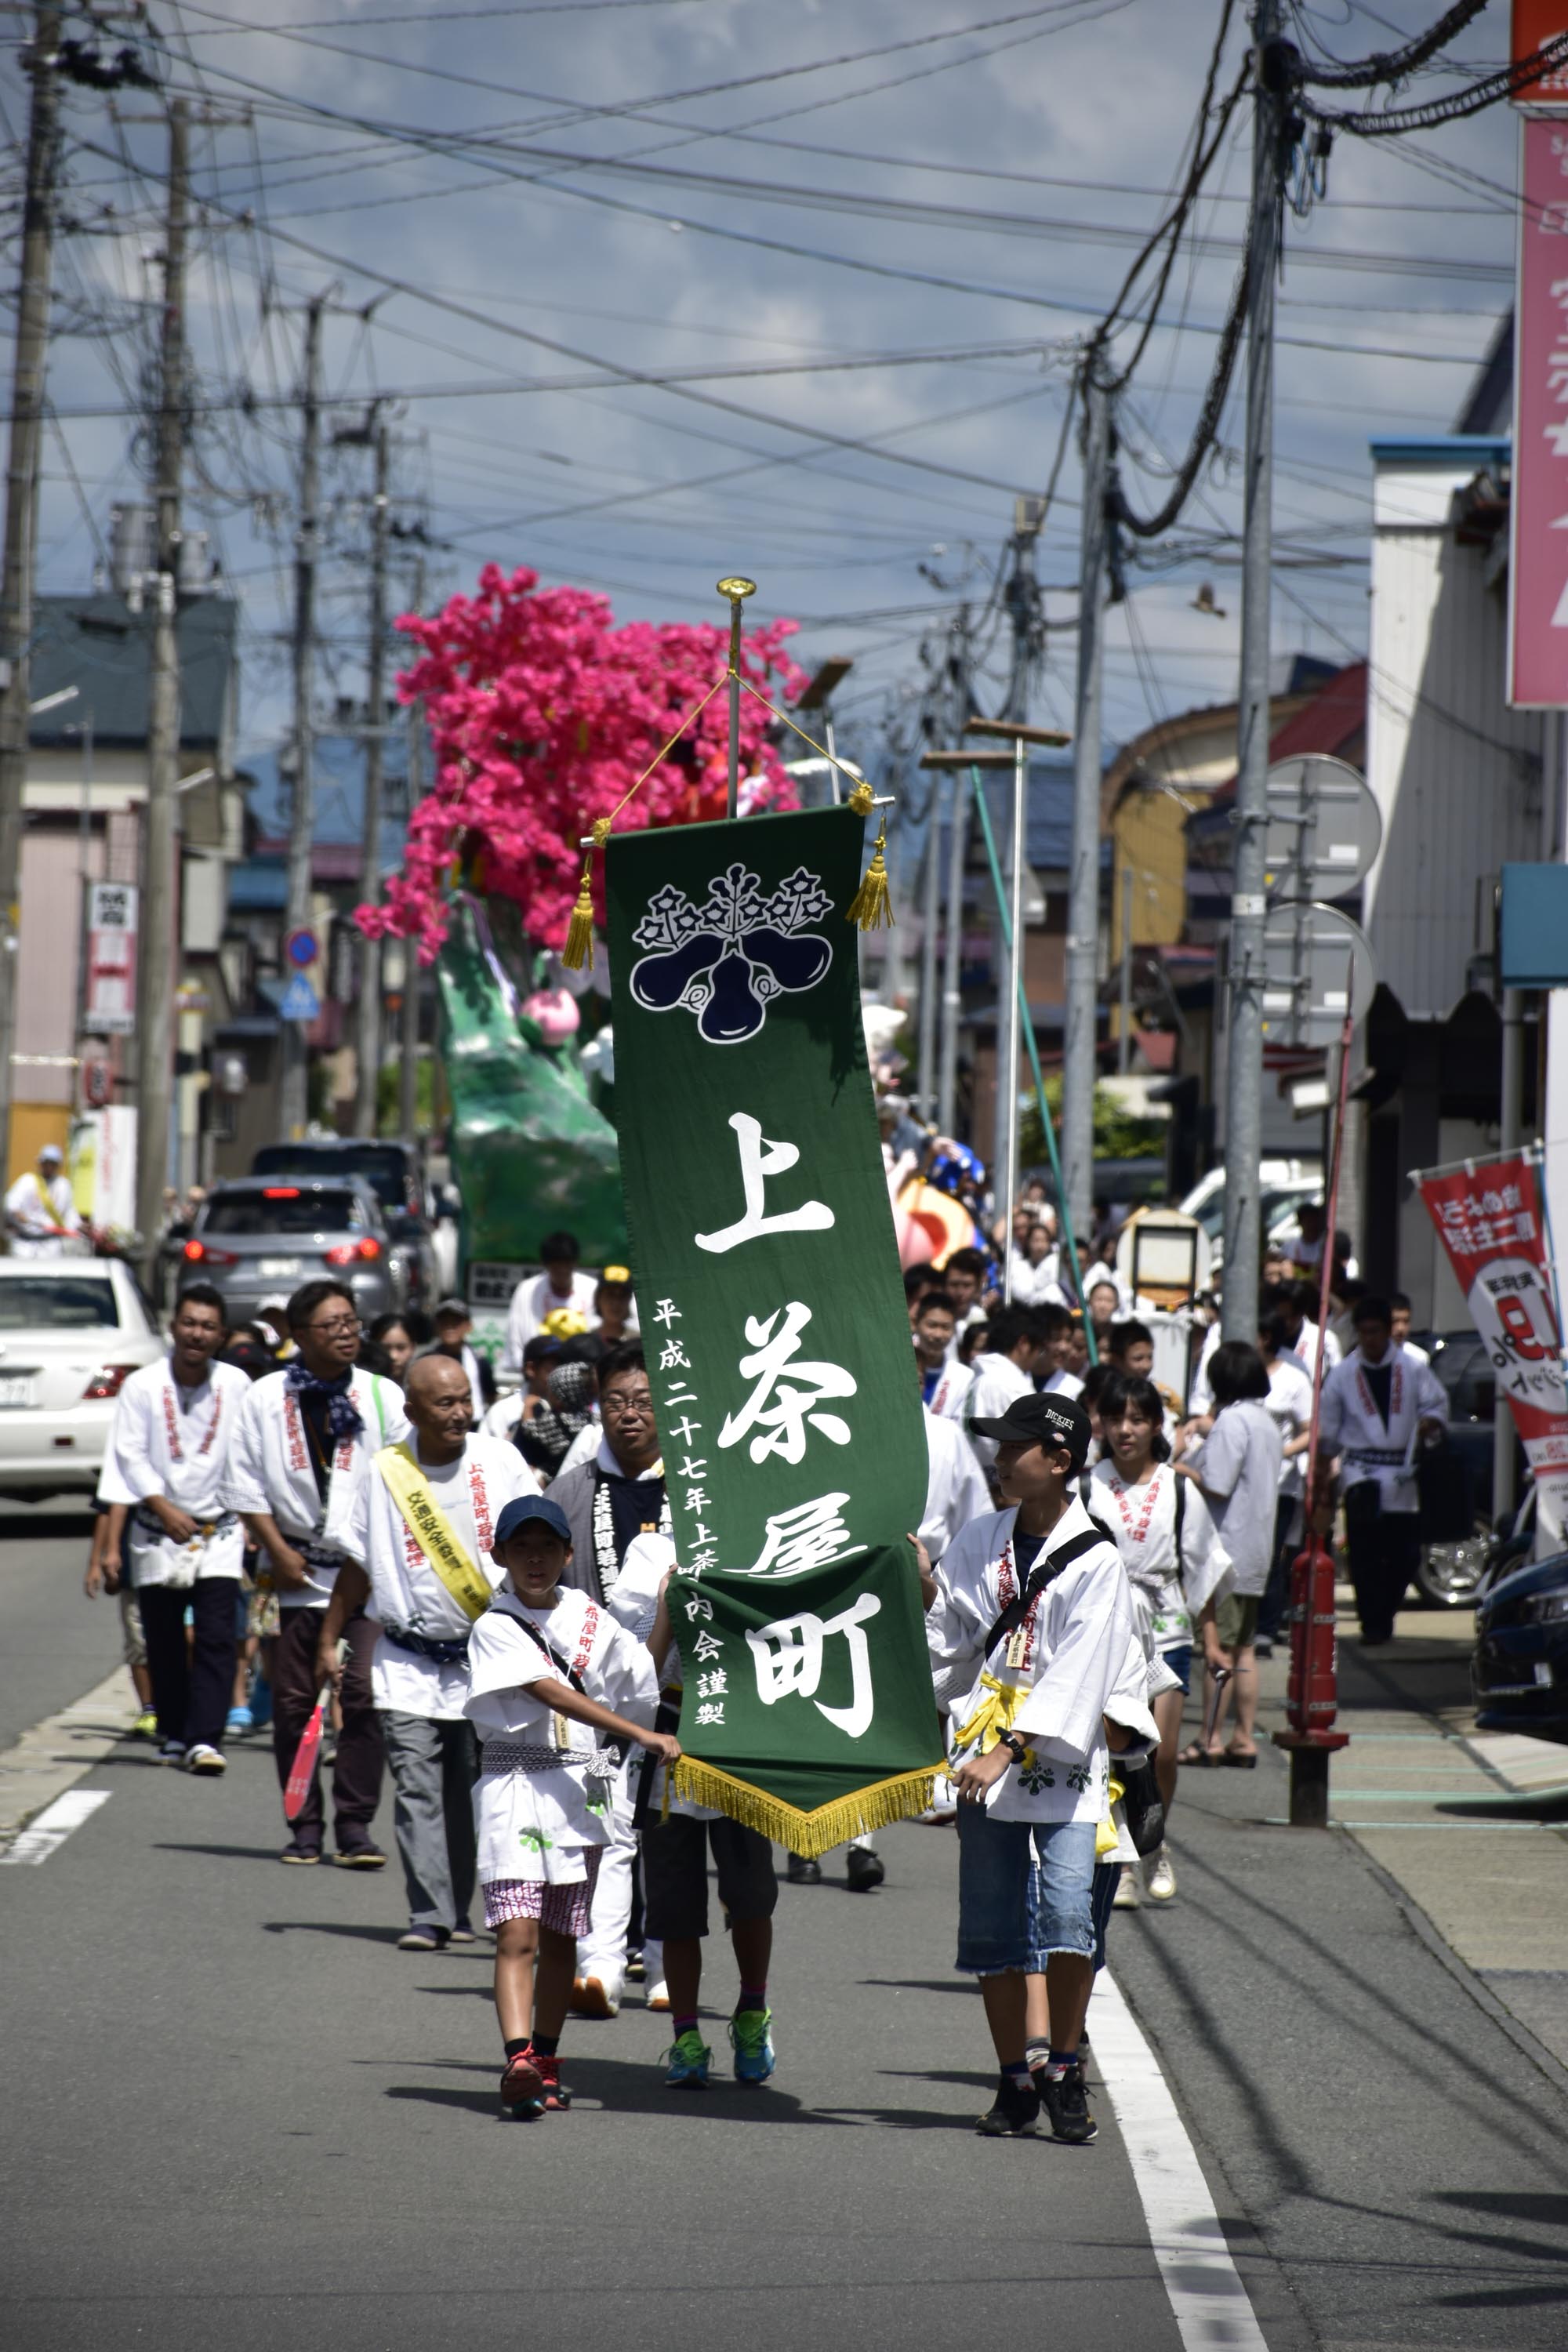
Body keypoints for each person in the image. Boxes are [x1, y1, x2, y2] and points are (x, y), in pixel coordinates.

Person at [920, 1391, 1154, 2142]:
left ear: (1058, 1460)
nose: (998, 1457)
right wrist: (923, 1588)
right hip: (980, 1753)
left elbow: (1083, 1673)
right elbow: (950, 1636)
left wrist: (1008, 1749)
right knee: (992, 1928)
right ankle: (1013, 2079)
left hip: (1054, 1758)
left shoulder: (1098, 1560)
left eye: (1014, 1445)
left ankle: (1063, 2065)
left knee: (1066, 1919)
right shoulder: (978, 1537)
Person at [318, 1355, 539, 1950]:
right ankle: (430, 1914)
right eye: (445, 1403)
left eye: (465, 1399)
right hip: (407, 1661)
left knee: (476, 1790)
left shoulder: (500, 1461)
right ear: (411, 1411)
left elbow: (539, 1556)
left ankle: (474, 1909)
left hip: (486, 1662)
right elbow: (359, 1564)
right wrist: (328, 1636)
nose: (461, 1413)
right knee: (416, 1785)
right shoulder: (385, 1471)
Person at [465, 1495, 676, 2118]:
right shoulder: (495, 1625)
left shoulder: (586, 1613)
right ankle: (518, 2058)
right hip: (516, 1789)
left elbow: (636, 1674)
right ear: (501, 1554)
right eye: (521, 1548)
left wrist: (666, 1609)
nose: (535, 1559)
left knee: (562, 1938)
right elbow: (547, 1691)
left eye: (547, 1547)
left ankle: (547, 2062)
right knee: (518, 1932)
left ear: (567, 1553)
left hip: (575, 1791)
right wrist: (640, 1734)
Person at [221, 1276, 411, 1864]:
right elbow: (244, 1483)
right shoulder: (265, 1396)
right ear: (299, 1335)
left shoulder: (382, 1395)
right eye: (332, 1325)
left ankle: (354, 1827)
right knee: (294, 1701)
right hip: (294, 1571)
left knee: (361, 1694)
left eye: (351, 1322)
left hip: (367, 1574)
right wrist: (276, 1551)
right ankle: (304, 1824)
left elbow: (408, 1483)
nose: (347, 1333)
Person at [547, 1343, 670, 2013]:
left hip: (682, 1690)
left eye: (645, 1402)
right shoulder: (570, 1490)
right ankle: (599, 1966)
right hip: (596, 1691)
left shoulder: (697, 1484)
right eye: (617, 1402)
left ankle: (663, 1964)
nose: (629, 1416)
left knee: (672, 1834)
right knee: (606, 1831)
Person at [93, 1283, 252, 1773]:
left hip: (217, 1532)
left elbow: (247, 1457)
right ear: (172, 1326)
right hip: (157, 1532)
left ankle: (205, 1738)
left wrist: (249, 1522)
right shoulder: (143, 1385)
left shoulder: (236, 1384)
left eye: (208, 1326)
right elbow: (130, 1456)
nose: (196, 1334)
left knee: (217, 1637)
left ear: (221, 1335)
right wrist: (163, 1509)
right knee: (162, 1640)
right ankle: (174, 1732)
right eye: (189, 1323)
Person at [1089, 1372, 1230, 1905]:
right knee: (1115, 1748)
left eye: (1138, 1419)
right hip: (1105, 1623)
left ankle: (1155, 1840)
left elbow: (1203, 1567)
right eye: (1116, 1418)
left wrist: (1211, 1639)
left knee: (1162, 1753)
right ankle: (1122, 1857)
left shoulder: (1177, 1487)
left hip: (1167, 1623)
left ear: (1155, 1426)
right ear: (1101, 1423)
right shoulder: (1086, 1484)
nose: (1126, 1430)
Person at [642, 1566, 782, 2090]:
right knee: (676, 1906)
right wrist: (664, 1608)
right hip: (668, 1742)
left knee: (752, 1895)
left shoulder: (758, 1547)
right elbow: (637, 1674)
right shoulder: (650, 1554)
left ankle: (751, 2010)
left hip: (741, 1745)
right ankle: (685, 2036)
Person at [1318, 1295, 1447, 1646]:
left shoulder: (1413, 1367)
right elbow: (1328, 1429)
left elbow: (1436, 1403)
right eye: (1364, 1333)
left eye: (1376, 1332)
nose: (1370, 1340)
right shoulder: (1344, 1374)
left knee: (1406, 1555)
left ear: (1389, 1331)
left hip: (1402, 1472)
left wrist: (1429, 1423)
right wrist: (1322, 1474)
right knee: (1365, 1554)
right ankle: (1372, 1624)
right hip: (1362, 1471)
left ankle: (1385, 1612)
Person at [1178, 1341, 1282, 1766]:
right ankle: (1242, 1736)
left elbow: (1216, 1482)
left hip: (1227, 1549)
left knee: (1217, 1648)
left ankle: (1210, 1738)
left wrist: (1177, 1469)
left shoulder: (1232, 1421)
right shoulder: (1267, 1422)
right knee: (1244, 1650)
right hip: (1258, 1548)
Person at [1253, 1315, 1314, 1658]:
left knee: (1271, 1556)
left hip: (1280, 1485)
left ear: (1264, 1336)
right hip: (1244, 1486)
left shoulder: (1294, 1380)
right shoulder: (1244, 1375)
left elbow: (1308, 1429)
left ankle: (1266, 1628)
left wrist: (1280, 1451)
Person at [83, 1500, 157, 1738]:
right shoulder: (123, 1464)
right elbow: (106, 1512)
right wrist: (95, 1563)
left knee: (185, 1639)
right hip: (132, 1570)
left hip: (181, 1566)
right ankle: (149, 1709)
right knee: (138, 1643)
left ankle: (182, 1705)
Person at [964, 1305, 1044, 1475]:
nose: (1039, 1357)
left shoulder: (978, 1378)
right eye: (1039, 1349)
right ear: (1023, 1343)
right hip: (1004, 1482)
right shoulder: (1009, 1384)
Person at [502, 1232, 600, 1370]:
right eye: (556, 1265)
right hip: (539, 1372)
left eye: (567, 1264)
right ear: (545, 1264)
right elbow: (516, 1337)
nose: (562, 1270)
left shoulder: (592, 1289)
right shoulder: (527, 1290)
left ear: (575, 1262)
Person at [481, 1333, 560, 1444]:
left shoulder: (567, 1412)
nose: (561, 1373)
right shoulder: (502, 1412)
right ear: (531, 1369)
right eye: (554, 1367)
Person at [5, 1142, 79, 1256]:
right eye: (46, 1163)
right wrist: (17, 1214)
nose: (49, 1167)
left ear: (58, 1165)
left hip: (51, 1243)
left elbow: (70, 1212)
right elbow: (11, 1204)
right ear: (40, 1163)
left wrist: (78, 1226)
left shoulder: (63, 1185)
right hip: (24, 1243)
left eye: (53, 1164)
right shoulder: (27, 1181)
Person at [421, 1296, 492, 1415]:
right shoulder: (425, 1362)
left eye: (456, 1322)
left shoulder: (480, 1362)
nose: (450, 1327)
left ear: (469, 1326)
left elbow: (490, 1396)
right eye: (445, 1322)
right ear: (436, 1326)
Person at [913, 1292, 972, 1420]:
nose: (938, 1335)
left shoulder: (963, 1377)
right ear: (916, 1324)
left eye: (946, 1327)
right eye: (932, 1325)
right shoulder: (898, 1367)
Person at [1037, 1303, 1084, 1401]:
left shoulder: (1076, 1390)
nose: (1064, 1348)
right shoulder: (1011, 1379)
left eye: (1068, 1340)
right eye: (1056, 1338)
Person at [942, 1247, 989, 1345]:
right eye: (954, 1284)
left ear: (977, 1286)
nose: (960, 1293)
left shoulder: (980, 1319)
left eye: (967, 1285)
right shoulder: (934, 1316)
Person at [367, 1313, 416, 1386]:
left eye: (401, 1348)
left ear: (413, 1348)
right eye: (385, 1348)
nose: (393, 1356)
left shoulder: (418, 1386)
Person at [1388, 1291, 1430, 1367]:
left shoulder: (1419, 1357)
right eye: (1395, 1321)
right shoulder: (1372, 1355)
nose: (1400, 1328)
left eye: (1406, 1321)